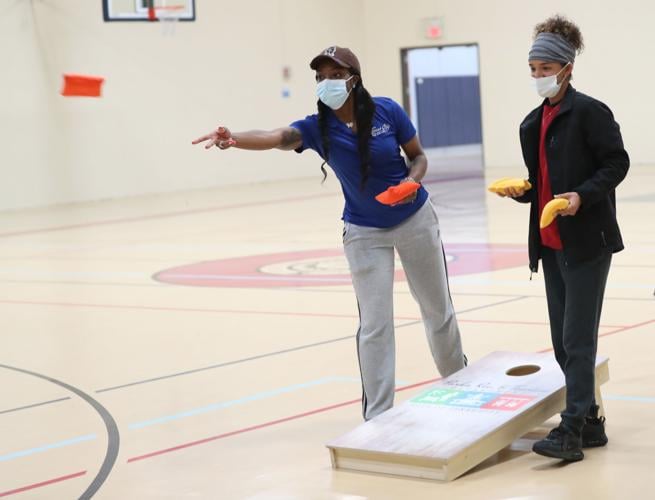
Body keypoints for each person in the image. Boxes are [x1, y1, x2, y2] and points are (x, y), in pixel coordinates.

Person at [192, 46, 466, 421]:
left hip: (414, 220)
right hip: (364, 232)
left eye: (336, 75)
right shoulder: (316, 128)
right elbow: (275, 135)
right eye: (321, 77)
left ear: (354, 79)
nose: (327, 83)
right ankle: (379, 416)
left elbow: (418, 156)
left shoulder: (388, 111)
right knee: (375, 324)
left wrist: (410, 183)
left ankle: (461, 385)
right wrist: (233, 137)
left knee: (438, 311)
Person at [499, 16, 629, 461]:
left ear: (567, 68)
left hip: (587, 242)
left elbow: (616, 164)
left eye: (545, 68)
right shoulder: (531, 123)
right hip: (550, 245)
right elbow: (542, 182)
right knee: (561, 341)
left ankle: (570, 432)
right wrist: (525, 193)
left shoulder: (590, 112)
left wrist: (582, 197)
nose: (538, 76)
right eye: (533, 69)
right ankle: (591, 421)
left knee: (577, 340)